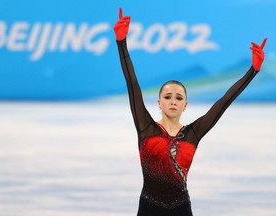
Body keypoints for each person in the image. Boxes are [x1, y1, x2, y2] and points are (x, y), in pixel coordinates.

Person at [114, 7, 267, 216]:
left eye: (179, 98)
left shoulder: (193, 133)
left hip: (181, 209)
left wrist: (253, 71)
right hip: (149, 208)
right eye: (167, 97)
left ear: (185, 104)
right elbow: (132, 83)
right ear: (159, 102)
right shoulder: (146, 128)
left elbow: (224, 101)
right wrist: (121, 43)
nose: (173, 102)